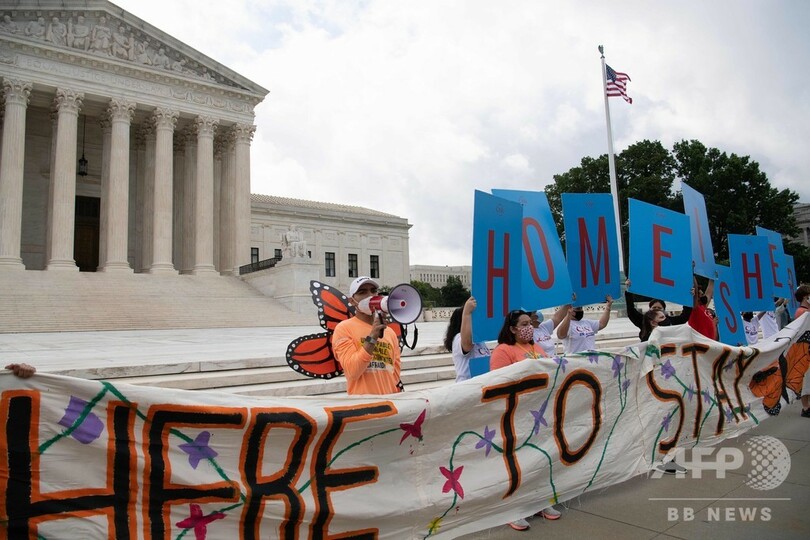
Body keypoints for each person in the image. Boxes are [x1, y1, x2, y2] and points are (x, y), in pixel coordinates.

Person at [488, 310, 561, 530]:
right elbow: (499, 383)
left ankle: (539, 502)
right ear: (512, 329)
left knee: (539, 459)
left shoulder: (536, 348)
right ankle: (513, 509)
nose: (530, 327)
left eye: (530, 323)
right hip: (516, 415)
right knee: (518, 463)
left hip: (539, 415)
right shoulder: (503, 350)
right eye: (524, 324)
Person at [332, 276, 401, 395]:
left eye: (373, 291)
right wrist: (373, 337)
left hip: (389, 401)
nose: (370, 296)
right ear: (352, 301)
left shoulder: (390, 332)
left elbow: (394, 374)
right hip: (363, 403)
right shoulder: (343, 329)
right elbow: (353, 371)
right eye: (362, 292)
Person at [625, 279, 692, 339]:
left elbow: (685, 315)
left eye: (659, 308)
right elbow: (631, 311)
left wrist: (689, 296)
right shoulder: (643, 321)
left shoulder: (670, 321)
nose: (656, 309)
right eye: (654, 308)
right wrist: (628, 291)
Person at [443, 296, 490, 382]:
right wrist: (467, 313)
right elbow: (467, 344)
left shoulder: (479, 340)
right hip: (467, 385)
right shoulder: (458, 338)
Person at [794, 284, 810, 418]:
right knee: (806, 380)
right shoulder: (802, 312)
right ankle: (806, 407)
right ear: (805, 297)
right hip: (805, 350)